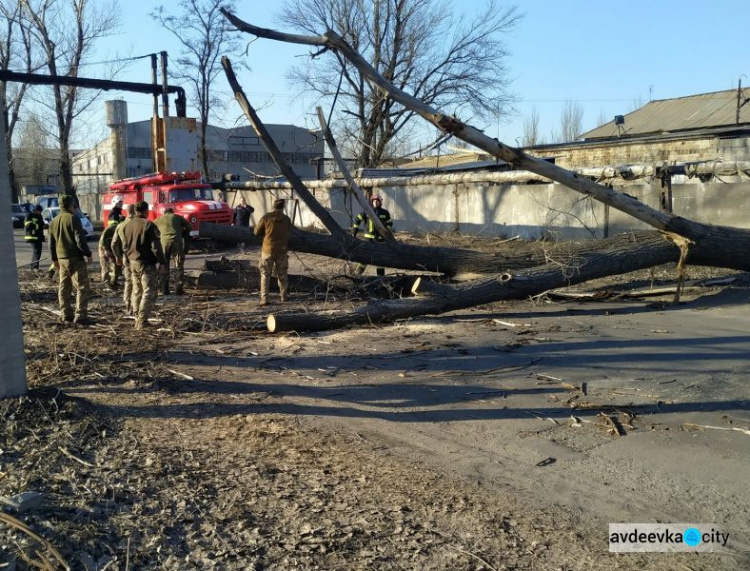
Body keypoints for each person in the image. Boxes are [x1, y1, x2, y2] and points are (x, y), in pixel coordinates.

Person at [113, 201, 166, 330]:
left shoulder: (126, 225)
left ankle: (137, 317)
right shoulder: (148, 225)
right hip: (146, 263)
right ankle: (142, 321)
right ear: (146, 211)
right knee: (150, 291)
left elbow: (123, 245)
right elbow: (156, 247)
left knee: (137, 290)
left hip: (132, 262)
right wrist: (162, 262)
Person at [48, 195, 93, 325]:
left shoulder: (54, 221)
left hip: (61, 259)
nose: (75, 208)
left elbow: (51, 244)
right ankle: (80, 315)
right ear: (70, 206)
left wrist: (54, 259)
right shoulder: (73, 218)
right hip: (75, 259)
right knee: (82, 287)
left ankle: (66, 314)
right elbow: (80, 239)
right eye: (74, 205)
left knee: (64, 287)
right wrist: (88, 253)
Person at [254, 198, 292, 305]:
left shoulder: (266, 217)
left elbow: (256, 231)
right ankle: (284, 296)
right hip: (282, 251)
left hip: (267, 250)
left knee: (265, 275)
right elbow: (288, 231)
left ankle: (264, 298)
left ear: (273, 206)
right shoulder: (287, 219)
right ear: (283, 207)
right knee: (282, 275)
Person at [351, 194, 393, 276]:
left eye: (377, 201)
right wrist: (355, 230)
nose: (376, 202)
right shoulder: (367, 211)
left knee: (380, 260)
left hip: (380, 239)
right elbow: (357, 219)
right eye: (374, 201)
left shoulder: (385, 213)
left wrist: (386, 228)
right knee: (365, 258)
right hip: (368, 240)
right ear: (371, 202)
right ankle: (357, 275)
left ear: (380, 202)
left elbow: (390, 223)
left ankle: (381, 278)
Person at [154, 207, 192, 295]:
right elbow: (189, 227)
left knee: (164, 265)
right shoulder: (177, 217)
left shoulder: (158, 219)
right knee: (178, 265)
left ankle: (164, 289)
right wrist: (183, 233)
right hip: (177, 242)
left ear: (164, 213)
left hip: (164, 243)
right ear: (172, 212)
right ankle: (178, 289)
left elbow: (152, 229)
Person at [112, 203, 137, 314]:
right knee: (138, 282)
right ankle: (136, 306)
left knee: (128, 281)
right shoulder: (139, 223)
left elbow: (113, 244)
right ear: (135, 211)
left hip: (126, 256)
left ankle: (127, 304)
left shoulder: (120, 226)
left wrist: (118, 256)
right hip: (138, 257)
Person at [98, 218, 121, 289]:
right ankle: (107, 283)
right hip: (104, 250)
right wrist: (106, 250)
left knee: (115, 265)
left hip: (112, 250)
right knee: (105, 266)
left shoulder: (116, 229)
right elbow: (102, 242)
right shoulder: (109, 229)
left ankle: (114, 282)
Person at [24, 205, 45, 270]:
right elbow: (28, 225)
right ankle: (34, 267)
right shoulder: (29, 215)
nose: (40, 212)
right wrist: (38, 226)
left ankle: (34, 266)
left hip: (38, 237)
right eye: (39, 211)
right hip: (32, 236)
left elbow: (41, 224)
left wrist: (44, 226)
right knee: (36, 251)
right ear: (36, 210)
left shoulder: (40, 216)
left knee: (38, 252)